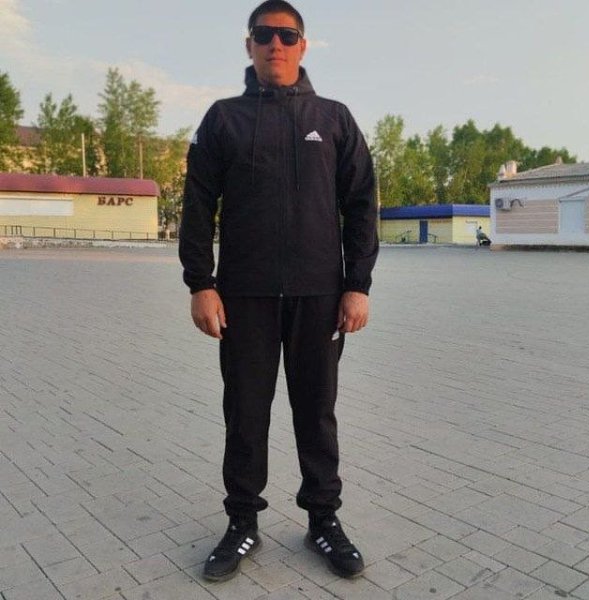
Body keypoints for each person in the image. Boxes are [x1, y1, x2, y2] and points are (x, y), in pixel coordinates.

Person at [179, 0, 378, 582]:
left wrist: (357, 285)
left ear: (303, 45)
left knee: (316, 411)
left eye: (287, 35)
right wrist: (201, 284)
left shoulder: (333, 118)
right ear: (249, 45)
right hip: (245, 297)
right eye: (264, 34)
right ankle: (242, 522)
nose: (276, 44)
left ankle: (323, 519)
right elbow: (197, 207)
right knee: (245, 412)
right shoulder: (224, 119)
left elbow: (361, 205)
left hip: (320, 296)